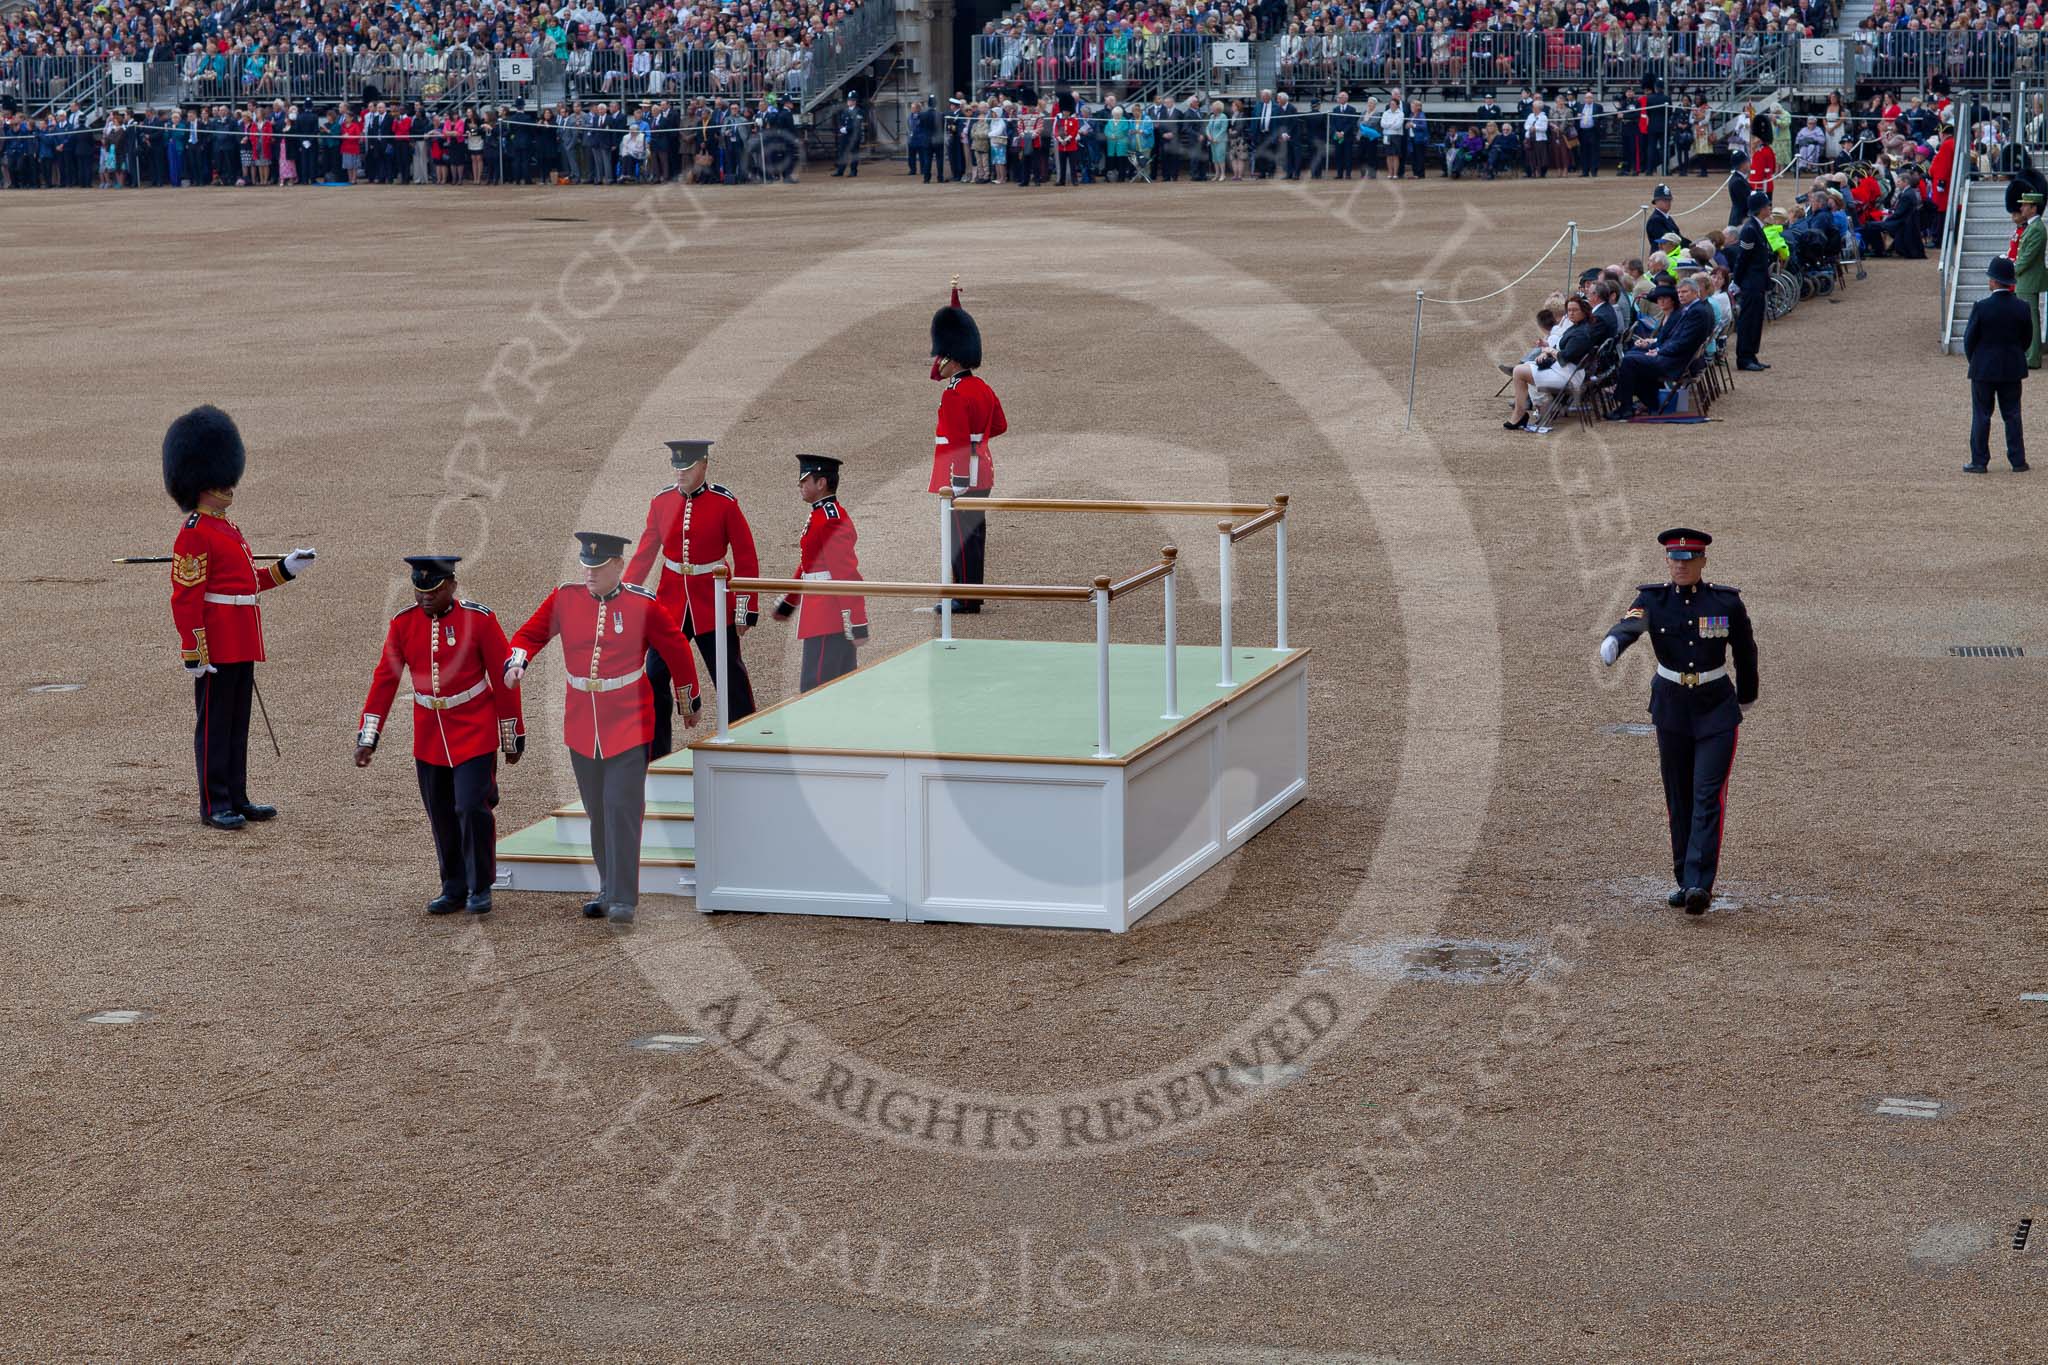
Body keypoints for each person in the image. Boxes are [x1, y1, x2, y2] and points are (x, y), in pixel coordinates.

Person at [504, 531, 701, 925]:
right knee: (598, 810)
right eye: (585, 566)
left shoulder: (641, 604)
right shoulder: (566, 598)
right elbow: (529, 633)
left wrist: (686, 701)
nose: (588, 573)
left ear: (617, 566)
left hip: (629, 720)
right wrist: (518, 659)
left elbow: (676, 647)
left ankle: (624, 897)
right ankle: (608, 887)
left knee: (621, 807)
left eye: (597, 567)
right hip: (582, 721)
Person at [164, 406, 316, 831]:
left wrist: (288, 568)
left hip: (241, 637)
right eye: (219, 480)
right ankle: (214, 802)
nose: (228, 486)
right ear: (199, 484)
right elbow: (186, 596)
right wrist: (194, 649)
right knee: (214, 725)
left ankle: (237, 795)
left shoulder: (227, 528)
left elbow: (246, 584)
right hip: (216, 641)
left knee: (235, 724)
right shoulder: (195, 531)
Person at [1598, 528, 1758, 916]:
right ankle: (1684, 879)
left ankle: (1699, 884)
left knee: (1707, 794)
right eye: (1675, 559)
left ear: (1702, 561)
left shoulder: (1725, 602)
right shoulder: (1653, 599)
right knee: (1679, 796)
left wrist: (1747, 693)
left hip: (1715, 707)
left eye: (1689, 560)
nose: (1681, 566)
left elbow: (1744, 647)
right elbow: (1631, 624)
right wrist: (1615, 642)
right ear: (1667, 562)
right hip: (1671, 707)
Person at [355, 556, 525, 916]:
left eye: (432, 590)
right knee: (442, 813)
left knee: (470, 806)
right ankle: (453, 885)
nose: (424, 598)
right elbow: (385, 679)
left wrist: (511, 733)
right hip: (431, 732)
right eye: (419, 590)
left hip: (474, 728)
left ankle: (480, 885)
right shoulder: (403, 623)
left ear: (451, 585)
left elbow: (503, 676)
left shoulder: (479, 620)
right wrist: (369, 734)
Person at [623, 438, 761, 752]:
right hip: (671, 603)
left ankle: (748, 743)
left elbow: (746, 555)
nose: (680, 473)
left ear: (704, 465)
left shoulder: (724, 503)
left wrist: (745, 606)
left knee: (729, 678)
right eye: (677, 467)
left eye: (687, 467)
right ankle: (656, 752)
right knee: (655, 675)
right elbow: (645, 552)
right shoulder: (661, 502)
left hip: (712, 602)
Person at [929, 280, 1007, 613]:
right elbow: (1000, 425)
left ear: (954, 358)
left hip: (963, 475)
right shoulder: (982, 388)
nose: (938, 363)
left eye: (943, 357)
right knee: (973, 536)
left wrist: (958, 481)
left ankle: (964, 596)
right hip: (983, 469)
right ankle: (970, 593)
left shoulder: (956, 394)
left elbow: (959, 443)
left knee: (960, 536)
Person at [772, 455, 869, 691]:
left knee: (816, 686)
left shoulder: (829, 519)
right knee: (830, 686)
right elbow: (809, 564)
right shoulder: (820, 514)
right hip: (819, 610)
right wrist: (790, 600)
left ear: (821, 483)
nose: (800, 485)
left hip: (829, 614)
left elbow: (845, 574)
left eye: (805, 480)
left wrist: (856, 621)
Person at [1963, 255, 2032, 475]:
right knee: (2012, 414)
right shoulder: (2022, 307)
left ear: (1993, 281)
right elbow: (2027, 339)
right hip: (2012, 367)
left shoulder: (1981, 307)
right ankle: (2017, 459)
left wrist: (1975, 359)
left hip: (1984, 367)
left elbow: (1969, 339)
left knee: (1982, 414)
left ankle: (1979, 460)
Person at [1606, 279, 1714, 421]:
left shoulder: (1696, 312)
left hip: (1677, 362)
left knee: (1629, 361)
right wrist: (1658, 348)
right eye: (1679, 292)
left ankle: (1625, 406)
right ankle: (1649, 402)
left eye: (1685, 292)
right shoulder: (1692, 309)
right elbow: (1675, 340)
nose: (1681, 295)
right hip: (1675, 357)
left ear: (1696, 293)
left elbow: (1684, 342)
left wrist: (1659, 351)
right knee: (1633, 356)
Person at [1503, 294, 1598, 433]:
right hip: (1566, 370)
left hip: (1568, 375)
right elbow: (1563, 346)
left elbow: (1565, 357)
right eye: (1569, 310)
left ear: (1584, 311)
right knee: (1524, 368)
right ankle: (1530, 409)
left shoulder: (1581, 333)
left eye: (1575, 310)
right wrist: (1547, 345)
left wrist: (1549, 350)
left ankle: (1521, 413)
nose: (1571, 313)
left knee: (1519, 371)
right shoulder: (1577, 327)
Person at [2009, 171, 2046, 370]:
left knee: (2030, 318)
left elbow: (2026, 258)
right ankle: (2030, 353)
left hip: (2028, 278)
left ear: (2033, 208)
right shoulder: (2033, 227)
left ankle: (2033, 356)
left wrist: (2012, 270)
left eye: (2025, 205)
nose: (2021, 208)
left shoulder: (2037, 228)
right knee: (2027, 318)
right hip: (2026, 278)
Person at [1733, 191, 1774, 372]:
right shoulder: (1750, 230)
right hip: (1750, 283)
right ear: (1760, 209)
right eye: (1767, 206)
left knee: (1756, 321)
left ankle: (1751, 354)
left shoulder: (1757, 227)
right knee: (1748, 321)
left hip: (1757, 281)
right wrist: (1737, 280)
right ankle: (1744, 357)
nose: (1769, 208)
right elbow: (1743, 258)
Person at [1646, 184, 1685, 256]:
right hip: (1661, 259)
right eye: (1665, 200)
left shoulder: (1666, 217)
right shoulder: (1655, 220)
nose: (1668, 203)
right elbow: (1669, 242)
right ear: (1656, 201)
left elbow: (1678, 237)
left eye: (1669, 200)